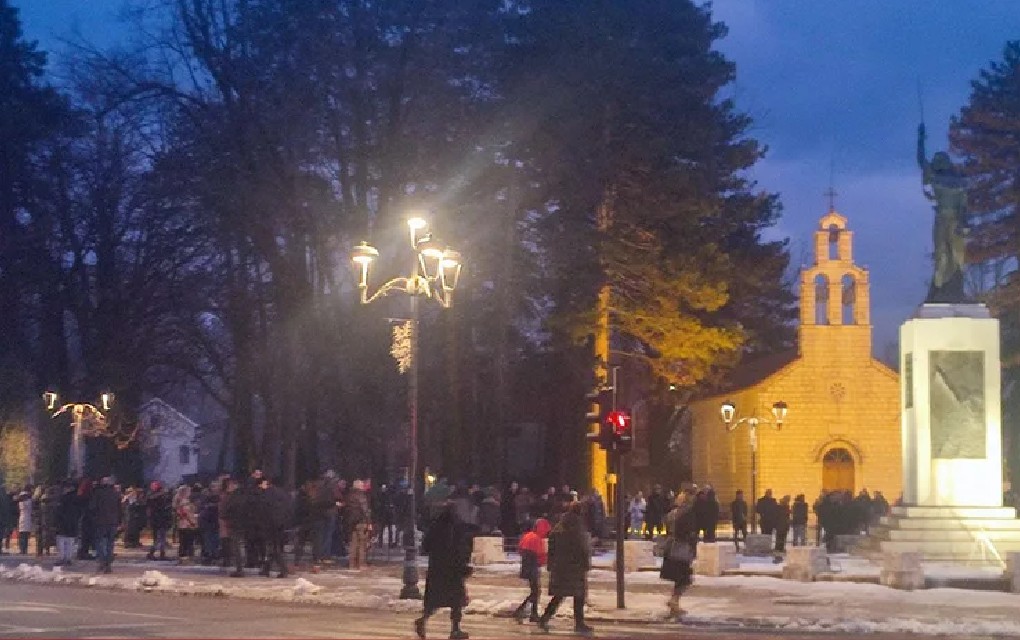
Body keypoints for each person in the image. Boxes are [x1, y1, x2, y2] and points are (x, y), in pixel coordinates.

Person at [917, 122, 969, 303]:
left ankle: (957, 289)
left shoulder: (960, 182)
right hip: (941, 219)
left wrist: (964, 224)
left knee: (958, 255)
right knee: (941, 254)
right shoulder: (936, 179)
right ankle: (937, 288)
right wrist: (920, 139)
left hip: (955, 221)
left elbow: (964, 206)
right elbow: (922, 161)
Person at [414, 503, 473, 640]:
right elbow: (460, 549)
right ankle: (455, 630)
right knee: (456, 601)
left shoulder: (434, 527)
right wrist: (464, 566)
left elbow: (425, 547)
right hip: (453, 570)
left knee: (435, 600)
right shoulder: (456, 528)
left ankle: (423, 620)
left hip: (436, 570)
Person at [537, 503, 593, 636]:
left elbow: (551, 547)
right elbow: (582, 547)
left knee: (560, 594)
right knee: (579, 596)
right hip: (575, 566)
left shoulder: (559, 526)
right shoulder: (578, 526)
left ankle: (545, 618)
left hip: (560, 566)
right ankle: (579, 623)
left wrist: (550, 564)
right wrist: (586, 564)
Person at [660, 487, 697, 618]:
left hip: (673, 548)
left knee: (681, 577)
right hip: (681, 548)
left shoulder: (675, 512)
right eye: (692, 495)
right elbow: (688, 531)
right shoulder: (687, 513)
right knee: (685, 577)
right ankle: (674, 601)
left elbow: (667, 523)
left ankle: (674, 602)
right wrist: (692, 543)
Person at [513, 517, 551, 623]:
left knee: (534, 591)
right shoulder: (537, 539)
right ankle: (530, 613)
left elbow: (520, 549)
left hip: (526, 566)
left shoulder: (527, 536)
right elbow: (541, 556)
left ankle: (524, 610)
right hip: (533, 567)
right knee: (536, 591)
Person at [90, 476, 121, 573]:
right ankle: (108, 563)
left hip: (100, 521)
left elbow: (92, 507)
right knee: (110, 543)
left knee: (100, 542)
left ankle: (101, 561)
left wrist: (94, 517)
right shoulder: (116, 494)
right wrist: (119, 521)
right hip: (113, 522)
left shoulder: (98, 493)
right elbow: (120, 509)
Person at [346, 479, 371, 570]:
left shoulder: (349, 495)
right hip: (361, 521)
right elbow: (365, 510)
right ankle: (361, 564)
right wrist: (369, 522)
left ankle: (351, 564)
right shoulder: (361, 496)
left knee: (353, 543)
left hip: (352, 522)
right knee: (362, 543)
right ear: (359, 486)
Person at [54, 480, 80, 566]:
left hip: (63, 522)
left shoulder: (62, 498)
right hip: (73, 521)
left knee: (61, 540)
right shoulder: (77, 498)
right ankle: (69, 558)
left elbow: (59, 511)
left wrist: (57, 520)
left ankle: (62, 558)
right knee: (70, 540)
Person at [146, 482, 172, 561]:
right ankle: (152, 553)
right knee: (158, 538)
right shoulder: (153, 496)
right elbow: (151, 500)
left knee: (161, 537)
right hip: (157, 519)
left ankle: (161, 553)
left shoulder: (161, 497)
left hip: (161, 519)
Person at [174, 485, 199, 563]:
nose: (190, 493)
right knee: (188, 542)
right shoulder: (184, 502)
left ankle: (182, 557)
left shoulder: (178, 501)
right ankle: (187, 557)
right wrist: (192, 522)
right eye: (188, 491)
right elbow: (185, 513)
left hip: (182, 524)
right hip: (187, 524)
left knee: (183, 542)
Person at [773, 495, 791, 560]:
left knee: (782, 537)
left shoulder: (786, 507)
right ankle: (778, 548)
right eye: (788, 500)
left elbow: (787, 516)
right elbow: (777, 516)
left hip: (783, 524)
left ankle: (780, 548)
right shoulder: (780, 507)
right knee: (780, 536)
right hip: (780, 524)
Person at [16, 489, 32, 554]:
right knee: (21, 535)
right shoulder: (21, 503)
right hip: (22, 519)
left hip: (27, 519)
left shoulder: (28, 502)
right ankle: (22, 549)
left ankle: (24, 549)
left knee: (25, 536)